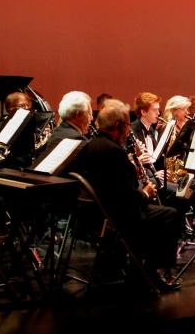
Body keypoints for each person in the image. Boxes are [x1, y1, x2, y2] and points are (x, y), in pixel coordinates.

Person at [76, 101, 181, 291]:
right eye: (126, 126)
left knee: (161, 212)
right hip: (117, 217)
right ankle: (149, 273)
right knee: (169, 215)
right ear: (118, 127)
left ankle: (139, 270)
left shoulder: (91, 145)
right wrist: (145, 192)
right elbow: (128, 201)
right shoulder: (114, 153)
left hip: (94, 214)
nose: (128, 132)